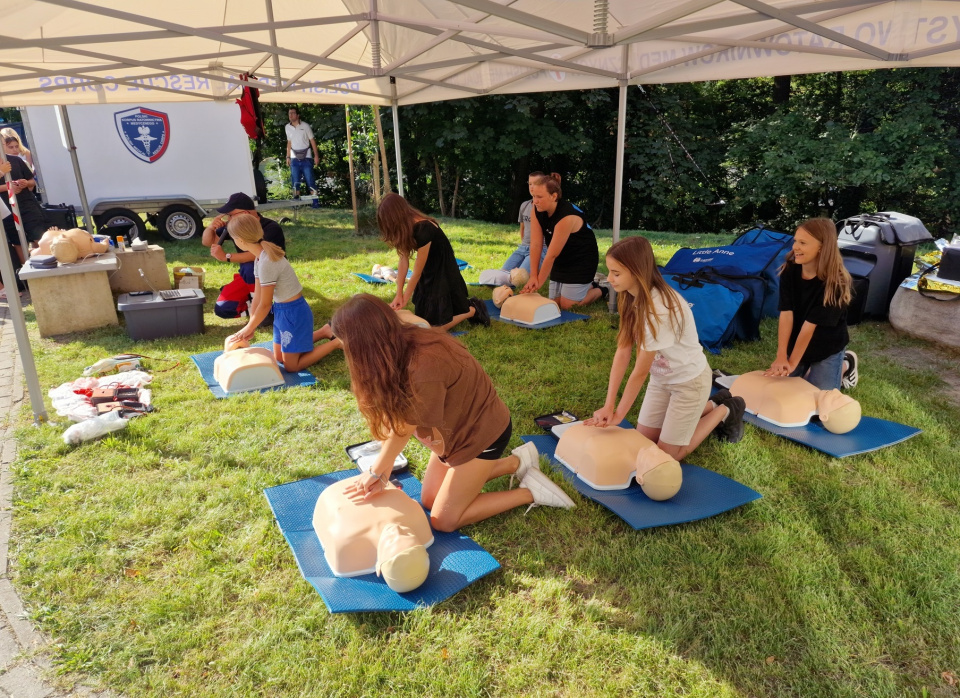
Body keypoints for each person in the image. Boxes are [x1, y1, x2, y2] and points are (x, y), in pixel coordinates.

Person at [331, 294, 575, 533]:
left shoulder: (423, 364)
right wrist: (380, 474)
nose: (344, 351)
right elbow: (398, 421)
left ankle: (531, 491)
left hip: (480, 437)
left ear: (364, 344)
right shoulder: (396, 347)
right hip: (454, 437)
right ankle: (517, 462)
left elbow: (405, 427)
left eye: (345, 345)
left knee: (443, 520)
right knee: (429, 499)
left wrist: (377, 471)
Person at [585, 236, 746, 460]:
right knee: (644, 442)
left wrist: (619, 414)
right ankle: (714, 402)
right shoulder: (629, 297)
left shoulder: (658, 310)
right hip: (662, 381)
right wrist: (608, 404)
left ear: (637, 271)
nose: (609, 279)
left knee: (667, 455)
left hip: (689, 383)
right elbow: (623, 351)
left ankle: (725, 409)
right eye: (610, 271)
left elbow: (640, 372)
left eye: (616, 273)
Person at [224, 214, 340, 372]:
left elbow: (265, 304)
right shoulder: (259, 258)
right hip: (281, 312)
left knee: (292, 366)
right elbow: (257, 297)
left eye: (233, 238)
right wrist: (251, 326)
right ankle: (325, 331)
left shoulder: (266, 262)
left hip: (294, 313)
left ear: (241, 240)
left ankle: (336, 343)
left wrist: (249, 328)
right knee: (278, 358)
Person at [764, 218, 858, 390]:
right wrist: (782, 356)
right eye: (795, 241)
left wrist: (791, 364)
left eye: (803, 243)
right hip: (797, 341)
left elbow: (810, 327)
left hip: (826, 347)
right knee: (781, 390)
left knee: (817, 400)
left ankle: (846, 365)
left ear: (822, 247)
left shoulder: (836, 283)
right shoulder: (790, 270)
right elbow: (786, 313)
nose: (795, 247)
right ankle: (806, 372)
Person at [377, 193, 487, 330]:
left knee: (434, 329)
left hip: (443, 271)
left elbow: (416, 272)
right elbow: (403, 260)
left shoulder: (424, 229)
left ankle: (473, 310)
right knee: (424, 319)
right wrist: (398, 294)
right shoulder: (407, 227)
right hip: (429, 269)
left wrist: (405, 297)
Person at [521, 173, 603, 309]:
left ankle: (603, 289)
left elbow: (551, 255)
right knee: (555, 303)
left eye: (539, 197)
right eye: (534, 196)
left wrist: (539, 282)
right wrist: (533, 276)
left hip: (582, 260)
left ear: (554, 196)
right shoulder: (536, 209)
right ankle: (589, 285)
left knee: (568, 305)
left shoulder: (566, 216)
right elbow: (535, 244)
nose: (535, 201)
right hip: (562, 259)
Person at [201, 192, 285, 319]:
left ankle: (266, 310)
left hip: (272, 278)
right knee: (223, 309)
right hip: (248, 276)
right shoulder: (235, 225)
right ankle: (257, 307)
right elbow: (208, 242)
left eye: (230, 215)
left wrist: (226, 257)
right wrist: (211, 227)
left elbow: (259, 255)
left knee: (250, 267)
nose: (228, 219)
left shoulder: (271, 227)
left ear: (245, 213)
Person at [1, 135, 46, 263]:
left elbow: (32, 181)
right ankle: (26, 271)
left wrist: (25, 183)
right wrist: (7, 187)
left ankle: (47, 264)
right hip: (6, 209)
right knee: (17, 240)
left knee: (39, 235)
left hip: (26, 204)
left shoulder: (16, 161)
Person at [501, 171, 548, 274]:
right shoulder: (524, 205)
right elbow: (522, 228)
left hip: (540, 249)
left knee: (519, 277)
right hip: (523, 247)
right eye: (530, 184)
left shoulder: (546, 207)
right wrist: (524, 243)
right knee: (503, 273)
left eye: (536, 183)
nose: (532, 187)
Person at [284, 107, 318, 200]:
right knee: (295, 181)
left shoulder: (305, 126)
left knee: (310, 180)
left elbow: (312, 141)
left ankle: (315, 202)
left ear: (298, 115)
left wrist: (316, 156)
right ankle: (296, 203)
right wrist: (288, 157)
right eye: (289, 113)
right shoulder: (287, 127)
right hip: (294, 157)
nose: (290, 115)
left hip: (306, 157)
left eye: (293, 113)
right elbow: (289, 142)